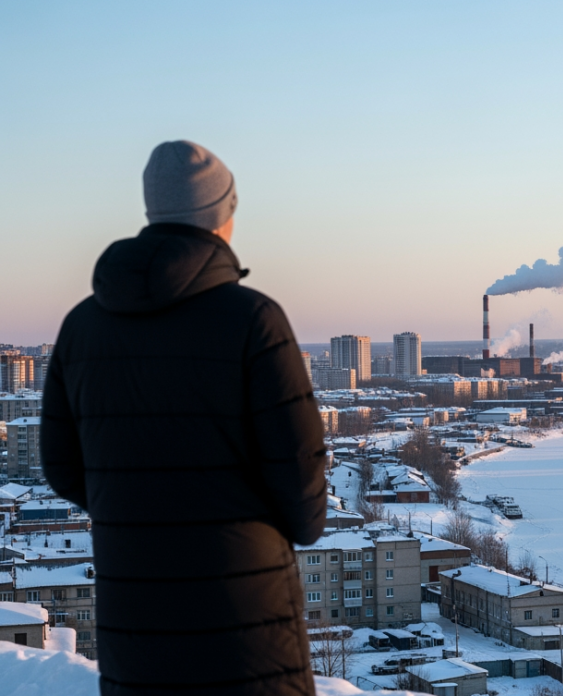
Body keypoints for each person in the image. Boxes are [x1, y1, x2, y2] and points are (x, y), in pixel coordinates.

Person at [42, 141, 327, 696]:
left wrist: (136, 511)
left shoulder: (83, 325)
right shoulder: (254, 320)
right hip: (247, 628)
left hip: (137, 625)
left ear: (154, 212)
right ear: (224, 216)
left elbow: (61, 466)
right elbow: (303, 491)